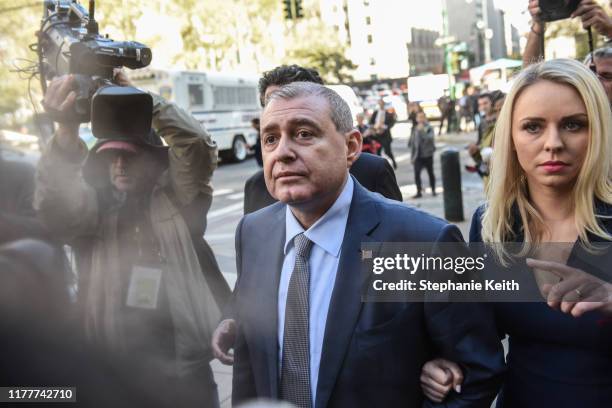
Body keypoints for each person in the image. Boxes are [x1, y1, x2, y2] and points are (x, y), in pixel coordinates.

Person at [231, 82, 505, 407]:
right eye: (270, 138)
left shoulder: (421, 242)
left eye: (304, 133)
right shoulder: (253, 232)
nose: (283, 151)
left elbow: (477, 372)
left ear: (351, 146)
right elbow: (250, 366)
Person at [420, 59, 612, 407]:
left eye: (573, 124)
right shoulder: (492, 224)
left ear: (597, 130)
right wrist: (440, 365)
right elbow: (478, 337)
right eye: (533, 127)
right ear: (511, 135)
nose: (553, 143)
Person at [34, 73, 230, 407]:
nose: (120, 165)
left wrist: (137, 98)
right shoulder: (94, 210)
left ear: (151, 161)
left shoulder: (176, 199)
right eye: (112, 158)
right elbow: (55, 201)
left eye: (130, 156)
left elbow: (195, 143)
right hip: (119, 369)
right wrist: (66, 128)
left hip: (184, 368)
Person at [523, 0, 612, 103]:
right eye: (590, 74)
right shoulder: (575, 108)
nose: (596, 82)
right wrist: (538, 24)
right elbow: (528, 78)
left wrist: (610, 31)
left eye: (607, 76)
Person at [408, 111, 436, 198]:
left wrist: (422, 131)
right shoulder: (415, 128)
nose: (420, 119)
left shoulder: (428, 127)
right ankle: (418, 191)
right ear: (416, 119)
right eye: (418, 117)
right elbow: (412, 144)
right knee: (417, 174)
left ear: (425, 118)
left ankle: (433, 189)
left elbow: (429, 139)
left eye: (422, 117)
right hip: (417, 156)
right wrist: (412, 156)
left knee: (430, 172)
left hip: (427, 155)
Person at [369, 98, 398, 169]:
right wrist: (374, 128)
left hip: (385, 135)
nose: (381, 105)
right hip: (377, 135)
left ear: (384, 104)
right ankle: (380, 166)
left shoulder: (388, 113)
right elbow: (371, 122)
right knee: (378, 151)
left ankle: (393, 162)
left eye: (382, 103)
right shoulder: (375, 113)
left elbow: (392, 122)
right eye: (380, 103)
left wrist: (385, 127)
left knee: (387, 151)